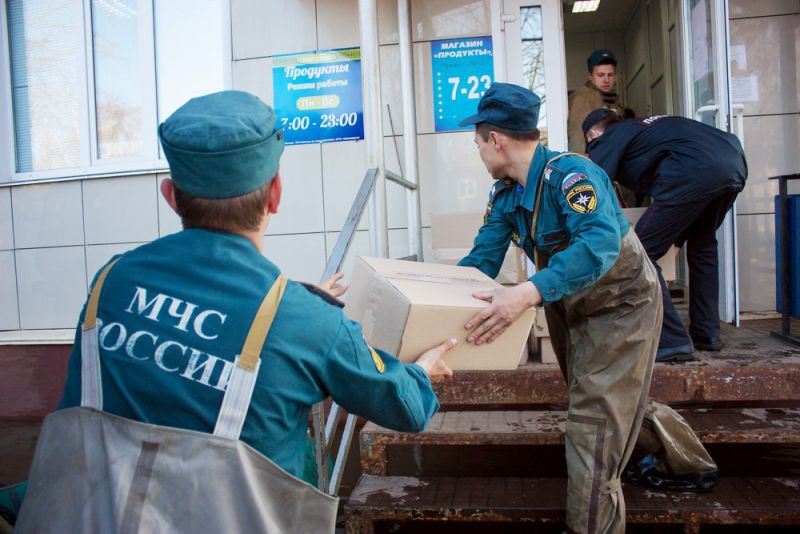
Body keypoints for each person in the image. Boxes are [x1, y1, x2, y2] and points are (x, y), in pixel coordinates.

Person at [15, 90, 455, 533]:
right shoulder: (304, 320)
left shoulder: (109, 281)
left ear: (170, 195)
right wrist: (423, 369)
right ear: (275, 194)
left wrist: (294, 301)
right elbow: (407, 407)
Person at [456, 83, 717, 534]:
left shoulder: (573, 176)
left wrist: (528, 292)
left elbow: (598, 244)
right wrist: (434, 295)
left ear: (496, 139)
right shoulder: (506, 196)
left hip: (622, 304)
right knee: (605, 397)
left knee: (592, 428)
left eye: (478, 141)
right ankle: (688, 462)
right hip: (570, 304)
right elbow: (482, 260)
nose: (477, 151)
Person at [583, 109, 748, 361]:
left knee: (638, 253)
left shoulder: (608, 137)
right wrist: (676, 238)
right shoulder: (644, 128)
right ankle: (707, 333)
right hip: (732, 162)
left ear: (593, 134)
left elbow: (592, 184)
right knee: (703, 246)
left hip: (692, 171)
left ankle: (671, 341)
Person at [567, 49, 624, 153]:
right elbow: (579, 137)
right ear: (590, 76)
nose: (606, 80)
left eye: (610, 75)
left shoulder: (611, 98)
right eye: (601, 75)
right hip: (594, 162)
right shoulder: (584, 97)